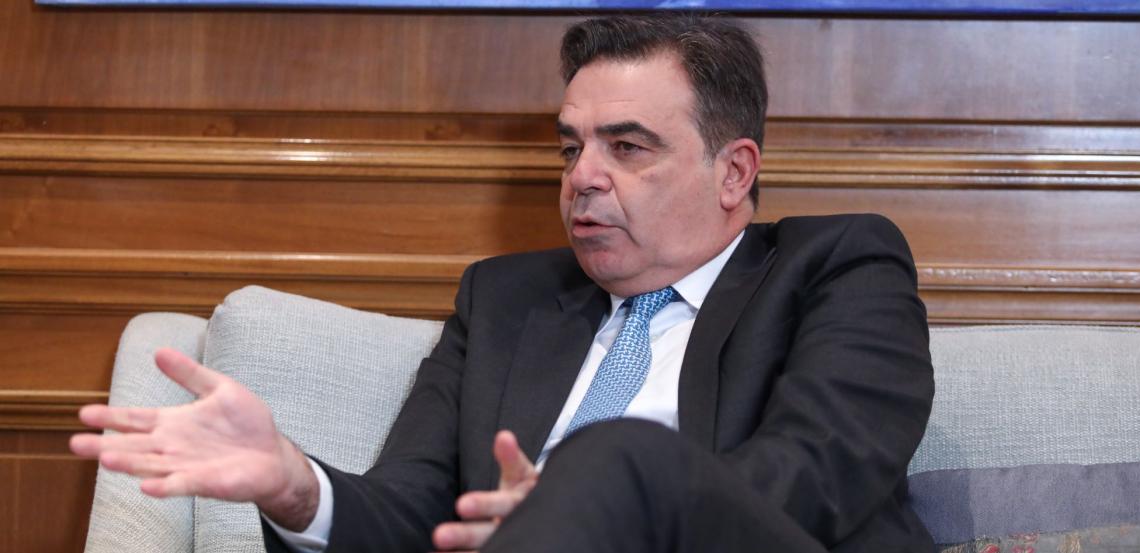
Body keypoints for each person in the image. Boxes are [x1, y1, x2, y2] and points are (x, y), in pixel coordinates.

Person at [71, 14, 936, 553]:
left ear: (733, 171)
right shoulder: (503, 301)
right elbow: (415, 507)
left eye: (627, 147)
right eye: (572, 147)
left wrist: (593, 504)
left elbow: (814, 473)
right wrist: (296, 484)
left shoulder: (837, 266)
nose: (582, 177)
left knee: (616, 454)